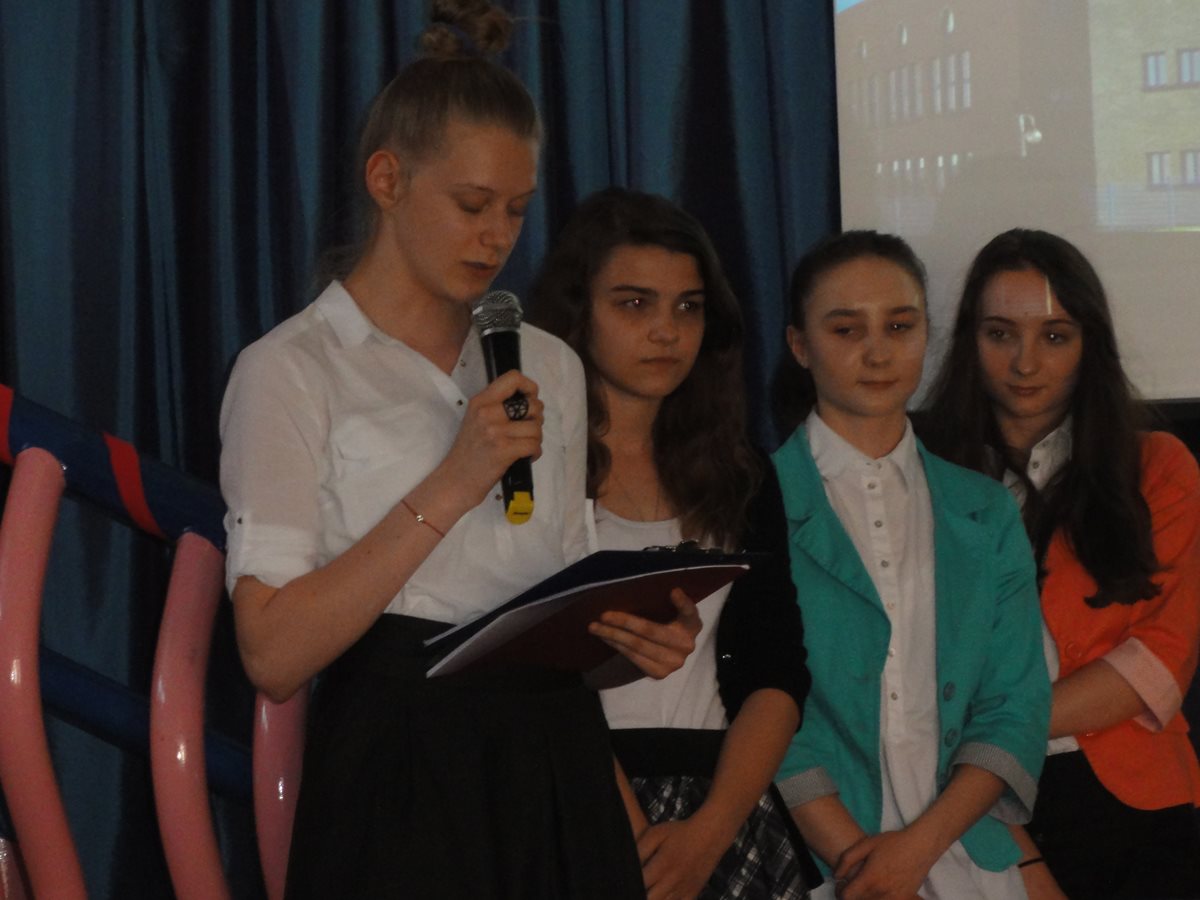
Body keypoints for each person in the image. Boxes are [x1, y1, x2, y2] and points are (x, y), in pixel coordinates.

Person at [217, 5, 700, 897]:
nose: (496, 237)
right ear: (387, 179)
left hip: (552, 759)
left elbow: (551, 586)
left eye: (516, 210)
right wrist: (455, 478)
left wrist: (630, 638)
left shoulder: (547, 362)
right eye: (471, 205)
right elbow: (272, 653)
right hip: (400, 760)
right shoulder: (292, 369)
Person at [529, 187, 816, 899]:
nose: (666, 330)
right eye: (635, 304)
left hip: (723, 808)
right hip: (567, 799)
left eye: (688, 307)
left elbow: (776, 674)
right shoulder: (525, 468)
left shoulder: (742, 474)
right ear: (577, 313)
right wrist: (636, 841)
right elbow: (529, 680)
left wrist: (711, 830)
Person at [770, 230, 1051, 899]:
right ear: (800, 346)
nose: (878, 352)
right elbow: (759, 705)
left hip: (968, 856)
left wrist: (918, 850)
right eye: (846, 329)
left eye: (900, 326)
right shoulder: (752, 503)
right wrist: (865, 869)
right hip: (816, 863)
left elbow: (1015, 702)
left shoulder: (985, 509)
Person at [922, 228, 1200, 899]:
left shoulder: (1158, 467)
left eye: (1054, 335)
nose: (1025, 362)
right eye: (1000, 334)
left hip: (1129, 795)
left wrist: (995, 725)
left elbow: (1160, 662)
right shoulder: (921, 479)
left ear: (1088, 344)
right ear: (968, 341)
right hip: (959, 799)